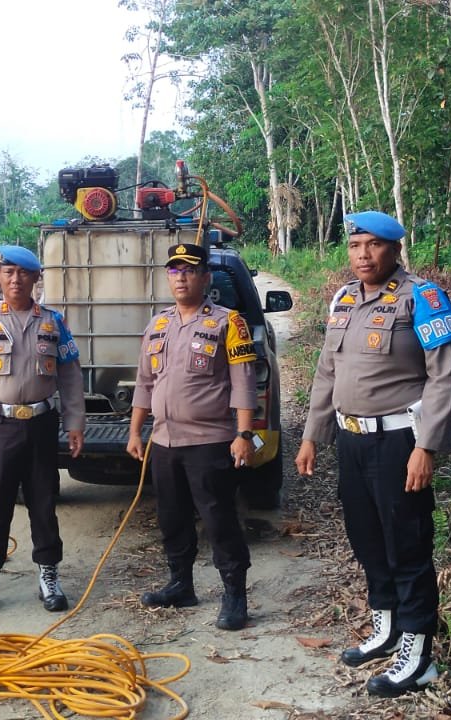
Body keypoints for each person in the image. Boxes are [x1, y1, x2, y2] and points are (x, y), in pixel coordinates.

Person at [294, 210, 451, 697]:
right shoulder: (344, 299)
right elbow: (328, 372)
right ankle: (387, 630)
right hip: (351, 439)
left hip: (399, 442)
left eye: (373, 245)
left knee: (407, 547)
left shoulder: (422, 298)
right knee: (367, 540)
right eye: (355, 246)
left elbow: (443, 377)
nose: (362, 255)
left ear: (394, 249)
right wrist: (312, 436)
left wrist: (427, 446)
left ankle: (418, 656)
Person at [125, 242, 258, 631]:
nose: (180, 277)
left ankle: (235, 595)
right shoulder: (158, 324)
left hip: (210, 441)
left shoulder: (227, 322)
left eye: (188, 270)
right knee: (171, 516)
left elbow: (243, 383)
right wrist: (136, 430)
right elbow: (145, 383)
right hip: (164, 441)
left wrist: (244, 433)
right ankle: (180, 584)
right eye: (174, 270)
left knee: (219, 519)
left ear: (205, 277)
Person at [0, 245, 86, 617]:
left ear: (35, 278)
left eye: (23, 273)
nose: (15, 280)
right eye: (8, 272)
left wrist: (75, 423)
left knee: (44, 501)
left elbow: (71, 377)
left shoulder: (53, 323)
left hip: (42, 424)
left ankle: (48, 575)